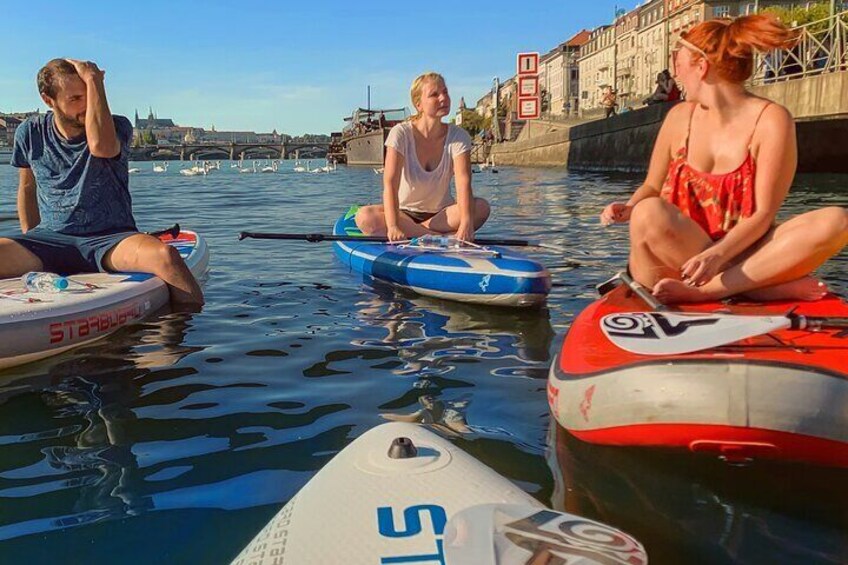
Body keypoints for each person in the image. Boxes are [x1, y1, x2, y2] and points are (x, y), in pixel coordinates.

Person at [599, 15, 847, 304]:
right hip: (678, 261)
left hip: (739, 252)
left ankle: (713, 291)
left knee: (837, 221)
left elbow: (763, 215)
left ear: (701, 67)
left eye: (678, 64)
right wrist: (628, 208)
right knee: (647, 212)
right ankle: (758, 287)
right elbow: (652, 187)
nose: (676, 76)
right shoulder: (679, 117)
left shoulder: (771, 121)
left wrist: (717, 255)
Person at [3, 59, 204, 305]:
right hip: (51, 239)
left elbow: (102, 147)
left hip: (112, 239)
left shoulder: (117, 126)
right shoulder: (30, 132)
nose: (86, 104)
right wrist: (30, 240)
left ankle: (189, 335)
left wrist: (94, 79)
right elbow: (26, 187)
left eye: (89, 94)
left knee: (166, 257)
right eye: (75, 99)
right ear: (49, 100)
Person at [355, 72, 490, 242]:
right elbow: (390, 184)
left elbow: (463, 182)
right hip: (404, 214)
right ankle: (438, 238)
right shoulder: (401, 134)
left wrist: (466, 222)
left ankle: (421, 233)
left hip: (443, 216)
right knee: (364, 216)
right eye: (434, 94)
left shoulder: (458, 136)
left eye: (445, 92)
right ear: (419, 104)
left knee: (481, 207)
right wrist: (393, 226)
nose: (444, 98)